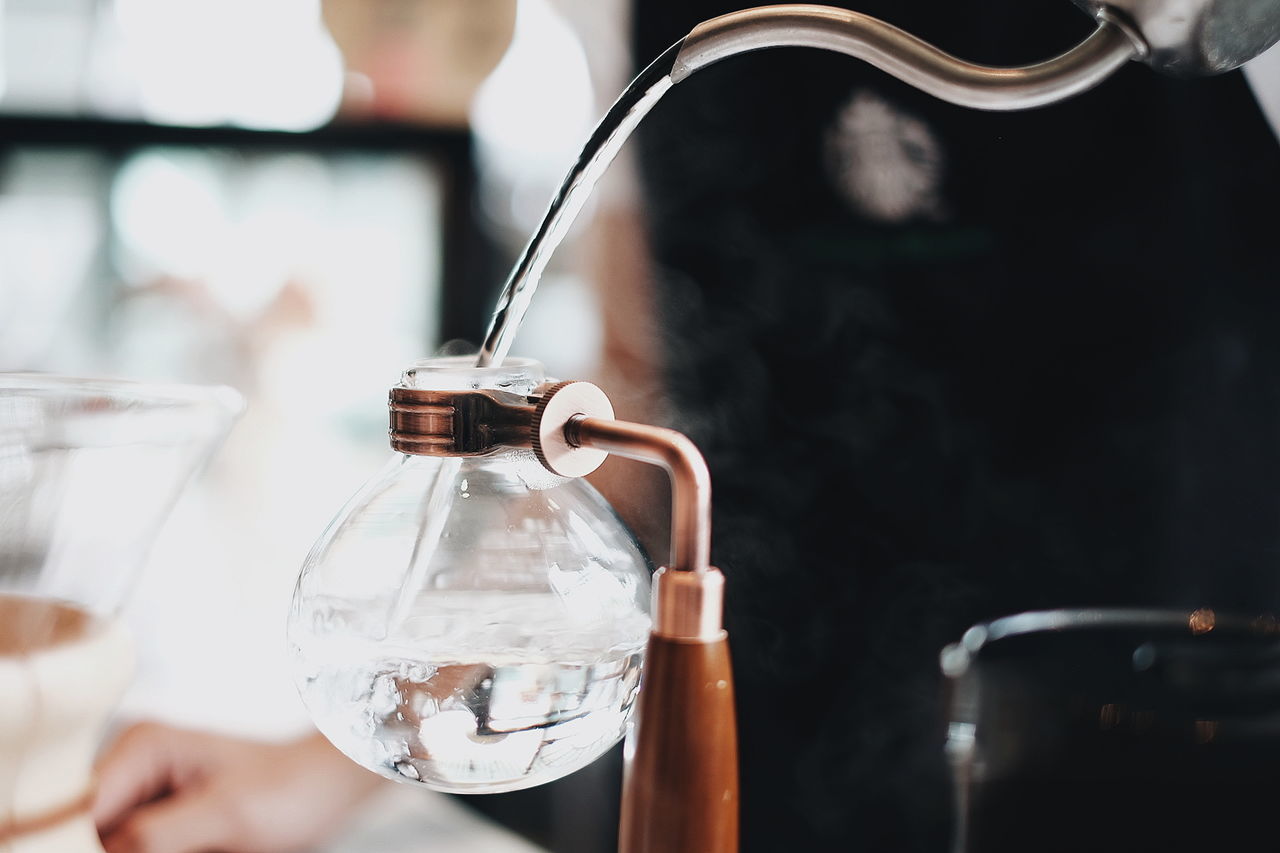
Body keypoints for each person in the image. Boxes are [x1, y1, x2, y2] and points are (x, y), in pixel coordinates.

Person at [95, 1, 1280, 851]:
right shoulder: (635, 34)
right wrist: (330, 769)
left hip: (1172, 727)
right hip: (764, 754)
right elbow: (642, 440)